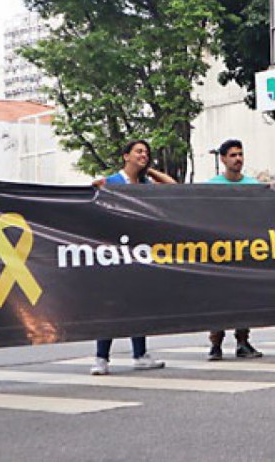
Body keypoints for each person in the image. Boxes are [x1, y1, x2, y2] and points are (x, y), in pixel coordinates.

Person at [90, 140, 173, 375]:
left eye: (146, 153)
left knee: (139, 304)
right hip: (114, 253)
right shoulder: (112, 182)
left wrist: (150, 170)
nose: (143, 155)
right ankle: (101, 358)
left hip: (140, 252)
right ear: (125, 156)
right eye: (138, 152)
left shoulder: (145, 184)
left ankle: (140, 354)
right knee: (111, 306)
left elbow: (173, 186)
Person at [204, 139, 264, 361]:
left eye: (240, 154)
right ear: (222, 159)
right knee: (218, 299)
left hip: (247, 251)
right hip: (219, 252)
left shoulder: (254, 186)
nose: (238, 159)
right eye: (233, 155)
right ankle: (215, 344)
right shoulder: (209, 188)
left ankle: (242, 341)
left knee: (244, 298)